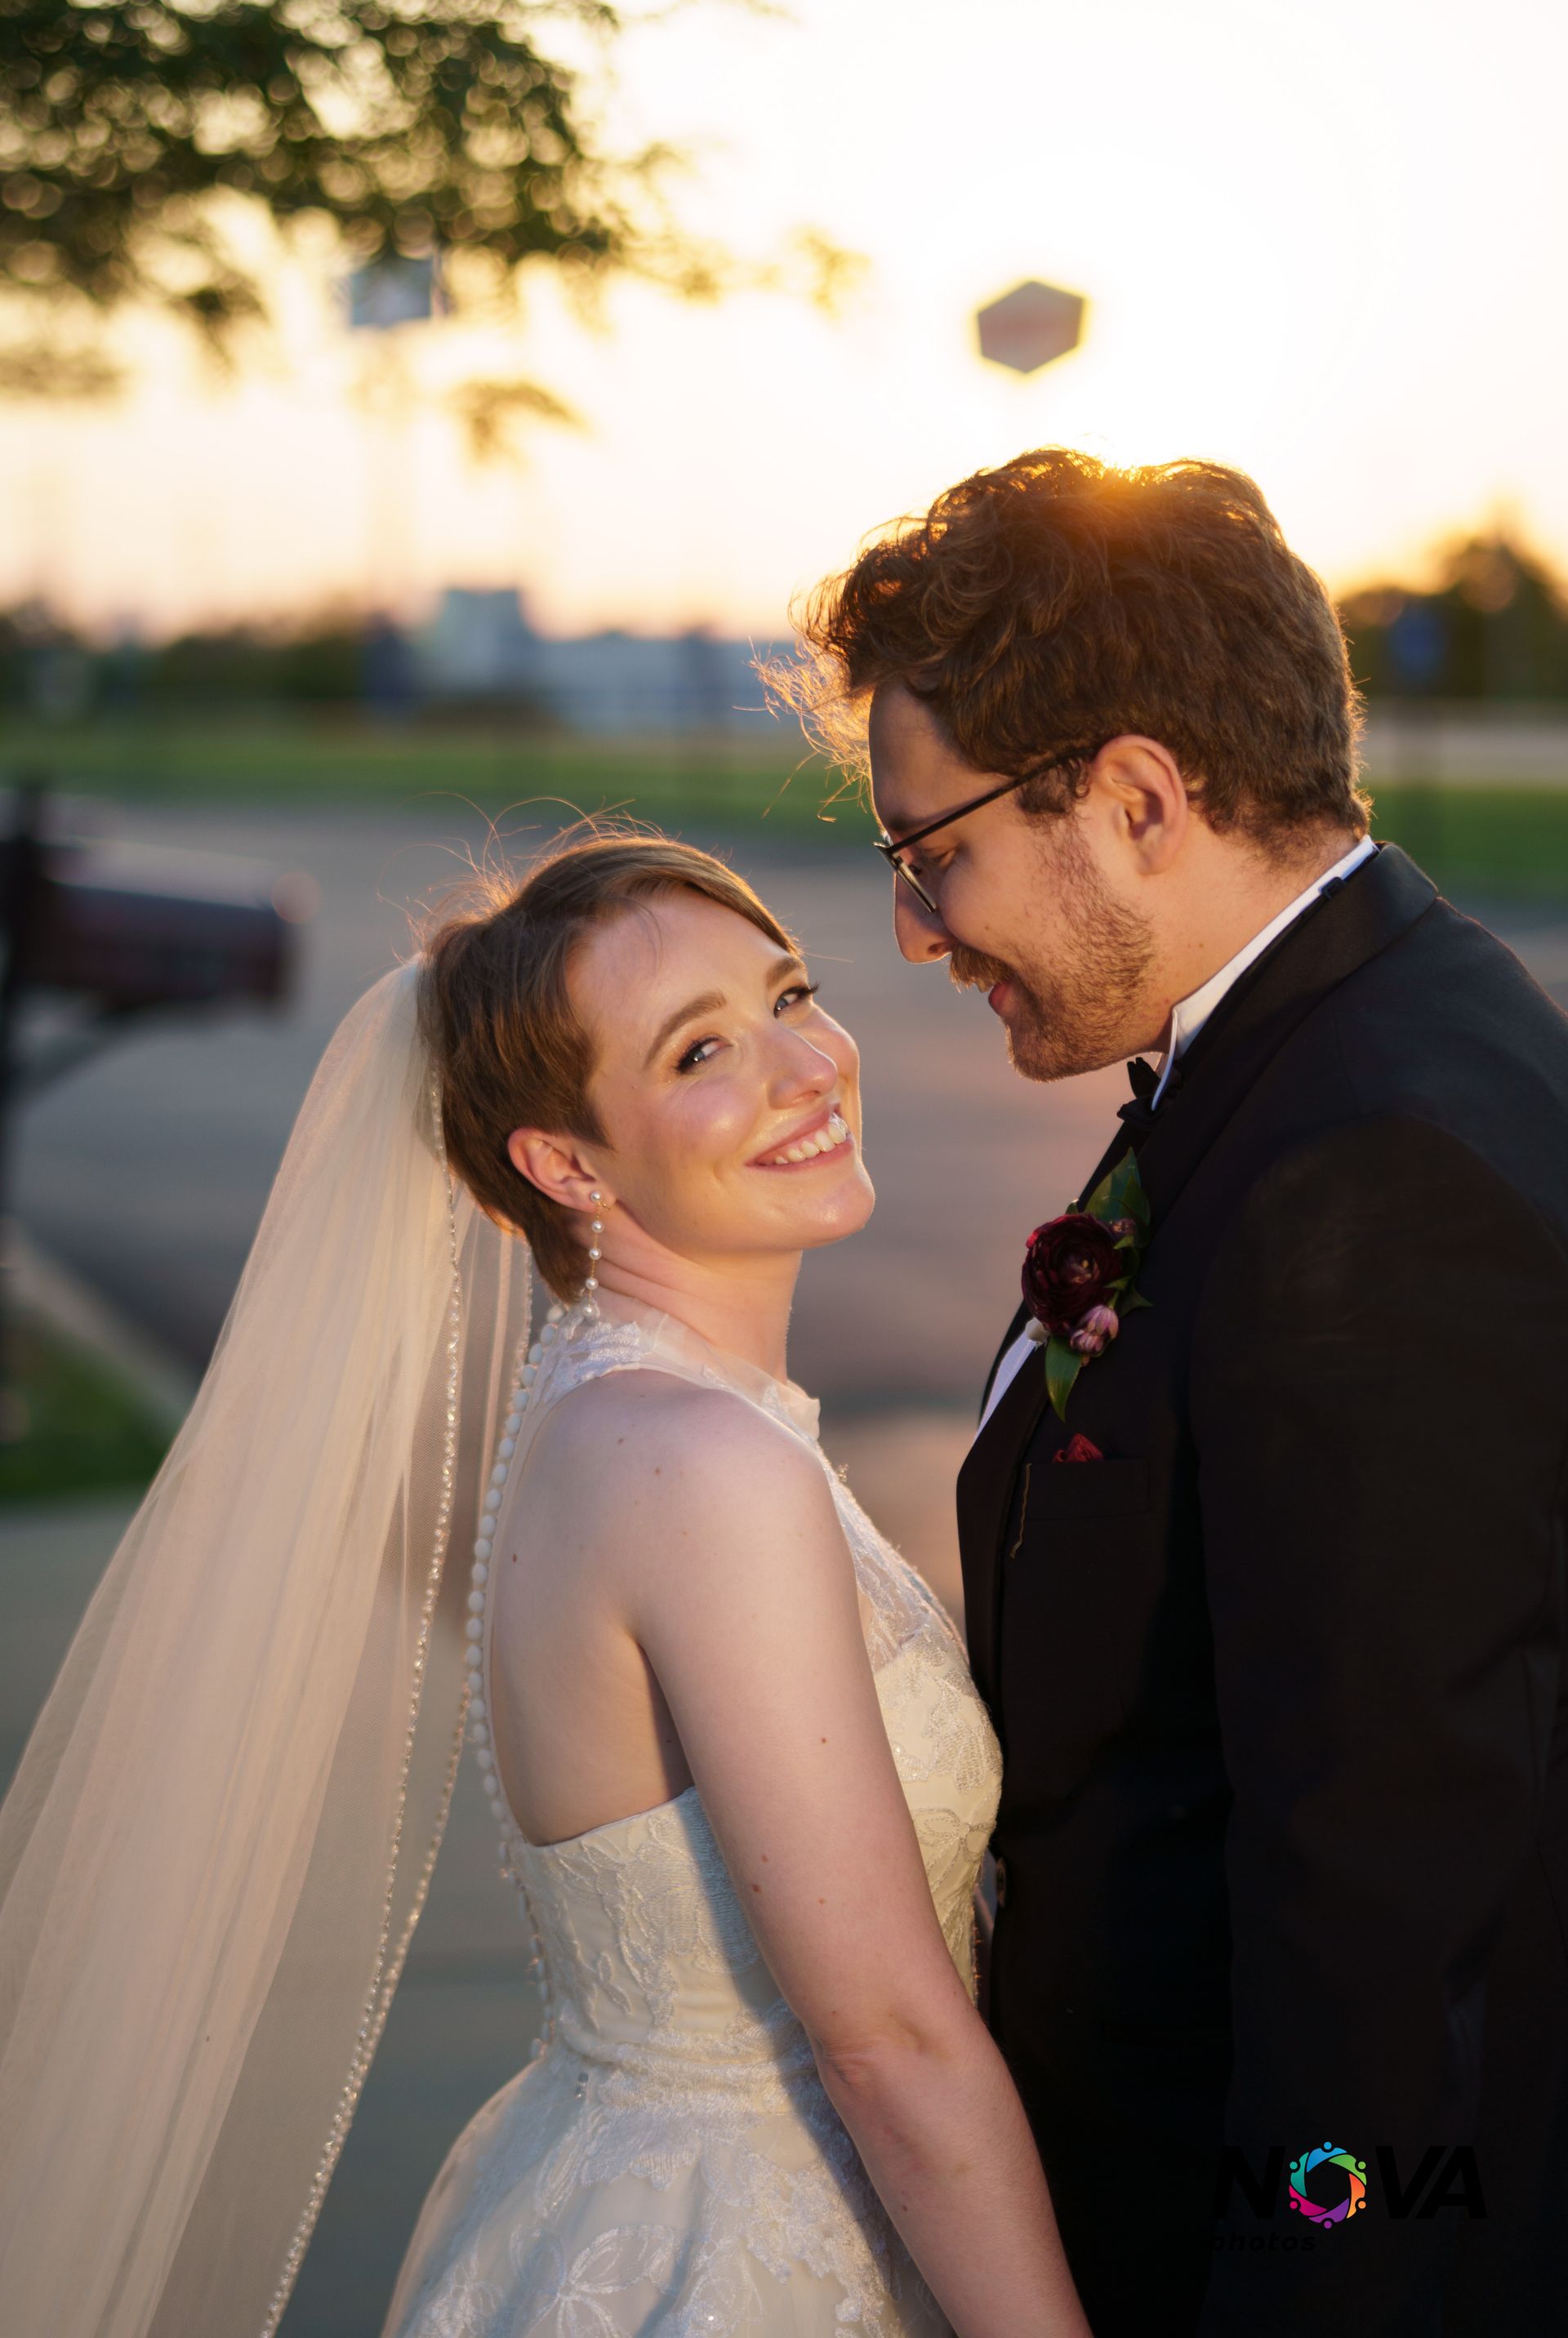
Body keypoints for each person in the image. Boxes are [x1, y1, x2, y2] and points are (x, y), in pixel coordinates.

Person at [0, 831, 1092, 2338]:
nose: (806, 1065)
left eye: (792, 993)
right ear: (568, 1164)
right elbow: (892, 2041)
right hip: (747, 2263)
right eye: (704, 1048)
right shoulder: (701, 1468)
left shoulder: (603, 1410)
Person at [773, 449, 1568, 2336]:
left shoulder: (1377, 1164)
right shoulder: (1307, 1064)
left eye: (932, 850)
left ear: (1136, 796)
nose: (913, 929)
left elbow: (1384, 1909)